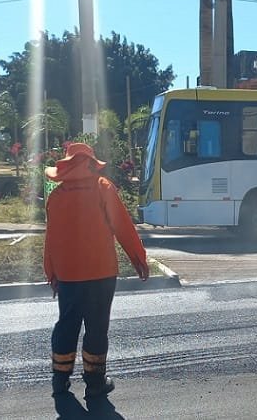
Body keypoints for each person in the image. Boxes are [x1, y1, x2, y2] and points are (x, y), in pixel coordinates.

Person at [44, 143, 150, 398]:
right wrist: (138, 258)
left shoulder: (56, 197)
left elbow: (52, 239)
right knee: (96, 327)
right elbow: (123, 227)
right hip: (101, 275)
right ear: (91, 164)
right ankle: (94, 383)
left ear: (67, 167)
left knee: (67, 324)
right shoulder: (103, 188)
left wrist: (52, 273)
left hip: (69, 276)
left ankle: (60, 380)